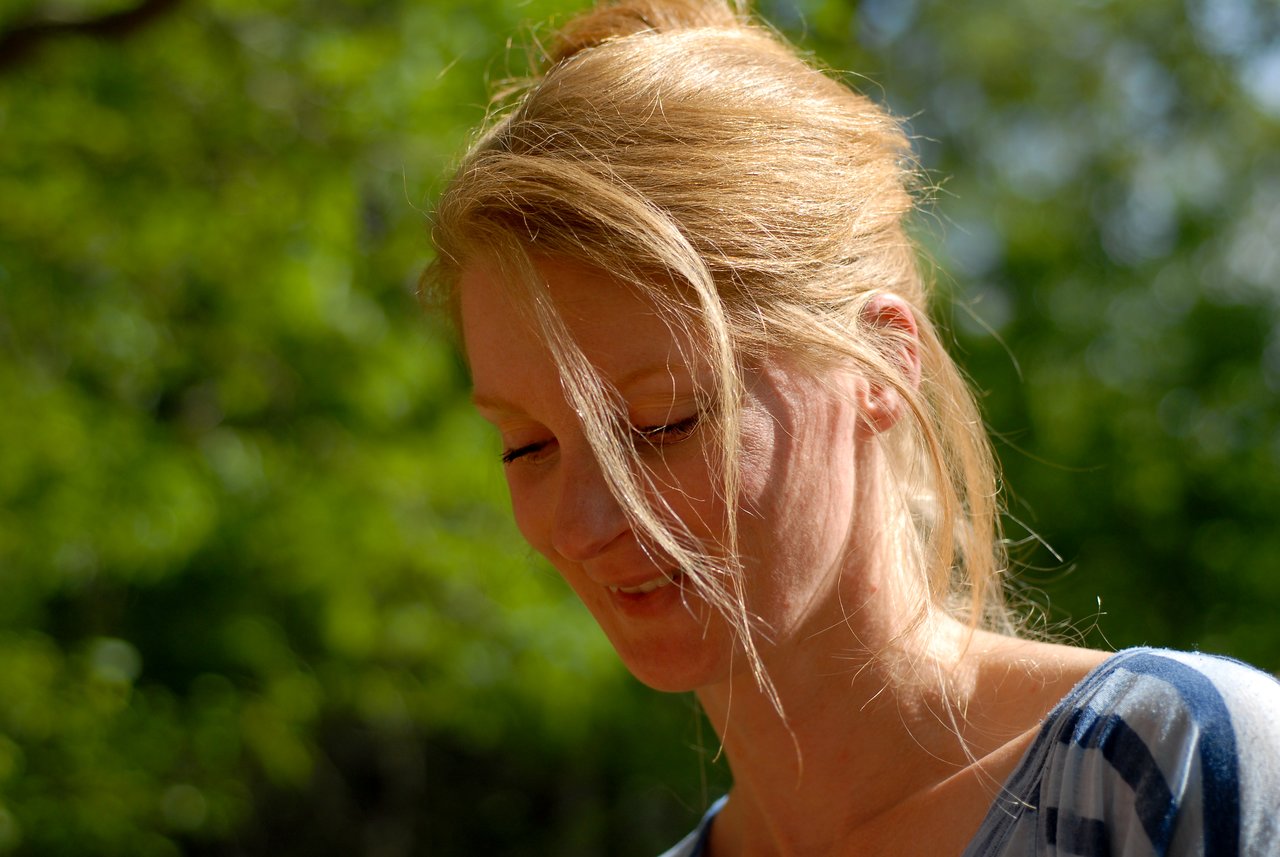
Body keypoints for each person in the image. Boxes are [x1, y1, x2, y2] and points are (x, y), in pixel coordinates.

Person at [424, 1, 1280, 853]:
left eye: (660, 423)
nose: (579, 522)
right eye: (526, 444)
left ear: (878, 363)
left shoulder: (1165, 767)